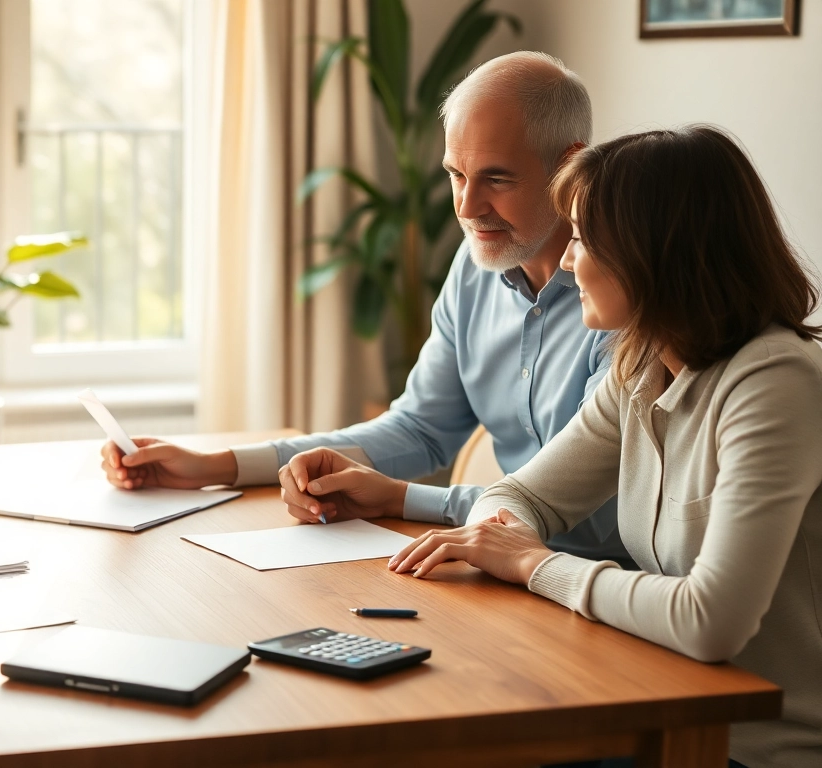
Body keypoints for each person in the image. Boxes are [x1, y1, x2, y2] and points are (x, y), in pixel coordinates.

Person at [338, 125, 821, 767]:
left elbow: (711, 621)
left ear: (654, 251)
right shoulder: (642, 368)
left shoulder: (776, 383)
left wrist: (534, 564)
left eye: (584, 239)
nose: (567, 260)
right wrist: (503, 539)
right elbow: (519, 494)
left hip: (756, 745)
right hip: (652, 699)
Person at [102, 52, 628, 564]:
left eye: (496, 178)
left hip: (605, 587)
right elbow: (418, 430)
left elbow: (588, 514)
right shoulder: (475, 271)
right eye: (456, 175)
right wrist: (214, 465)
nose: (466, 209)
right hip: (506, 575)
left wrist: (396, 497)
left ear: (569, 163)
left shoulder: (626, 296)